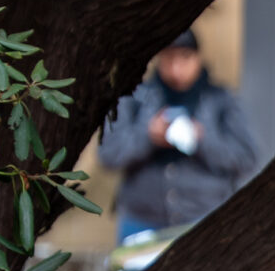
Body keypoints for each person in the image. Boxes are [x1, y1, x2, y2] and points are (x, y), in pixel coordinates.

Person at [98, 29, 257, 240]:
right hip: (142, 222)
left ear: (198, 58)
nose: (176, 69)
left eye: (185, 57)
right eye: (169, 58)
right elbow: (108, 154)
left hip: (205, 220)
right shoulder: (136, 98)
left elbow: (246, 159)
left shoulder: (220, 99)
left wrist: (201, 139)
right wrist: (148, 136)